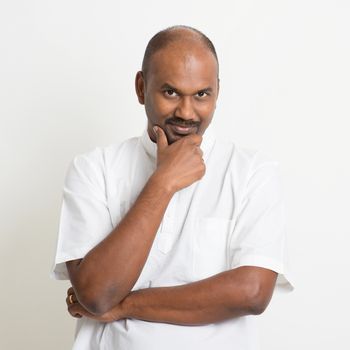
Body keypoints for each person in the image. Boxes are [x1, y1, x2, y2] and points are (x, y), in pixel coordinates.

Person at [52, 25, 293, 350]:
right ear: (141, 88)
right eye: (171, 92)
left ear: (217, 92)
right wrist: (163, 183)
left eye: (201, 95)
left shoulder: (252, 172)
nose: (186, 112)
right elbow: (96, 294)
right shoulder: (95, 169)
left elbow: (251, 293)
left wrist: (126, 305)